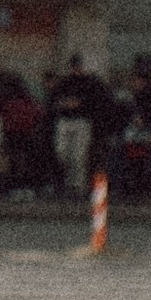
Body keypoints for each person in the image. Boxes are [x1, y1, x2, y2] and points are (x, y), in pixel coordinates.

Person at [48, 54, 101, 202]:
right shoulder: (65, 82)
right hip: (65, 120)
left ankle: (77, 186)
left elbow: (95, 102)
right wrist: (65, 104)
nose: (77, 69)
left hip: (82, 121)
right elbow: (54, 99)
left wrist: (80, 104)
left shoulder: (90, 83)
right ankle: (68, 181)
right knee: (62, 152)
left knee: (79, 155)